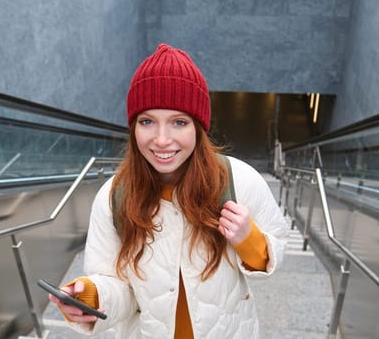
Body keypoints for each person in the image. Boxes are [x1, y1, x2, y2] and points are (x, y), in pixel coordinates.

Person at [48, 43, 287, 338]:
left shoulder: (239, 179)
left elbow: (277, 247)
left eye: (178, 122)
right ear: (133, 126)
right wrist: (90, 297)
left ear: (198, 128)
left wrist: (248, 239)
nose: (162, 139)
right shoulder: (113, 197)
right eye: (147, 121)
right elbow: (116, 284)